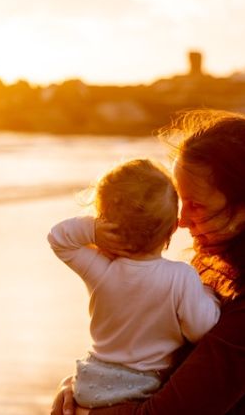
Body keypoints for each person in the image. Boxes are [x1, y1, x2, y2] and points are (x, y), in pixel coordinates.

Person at [52, 110, 245, 415]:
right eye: (180, 200)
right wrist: (80, 386)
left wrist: (84, 411)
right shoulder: (213, 259)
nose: (181, 220)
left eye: (196, 205)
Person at [47, 158, 221, 408]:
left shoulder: (101, 270)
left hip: (89, 382)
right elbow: (201, 329)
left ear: (107, 221)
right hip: (140, 388)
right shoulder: (182, 277)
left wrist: (93, 231)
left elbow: (59, 239)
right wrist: (208, 294)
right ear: (173, 228)